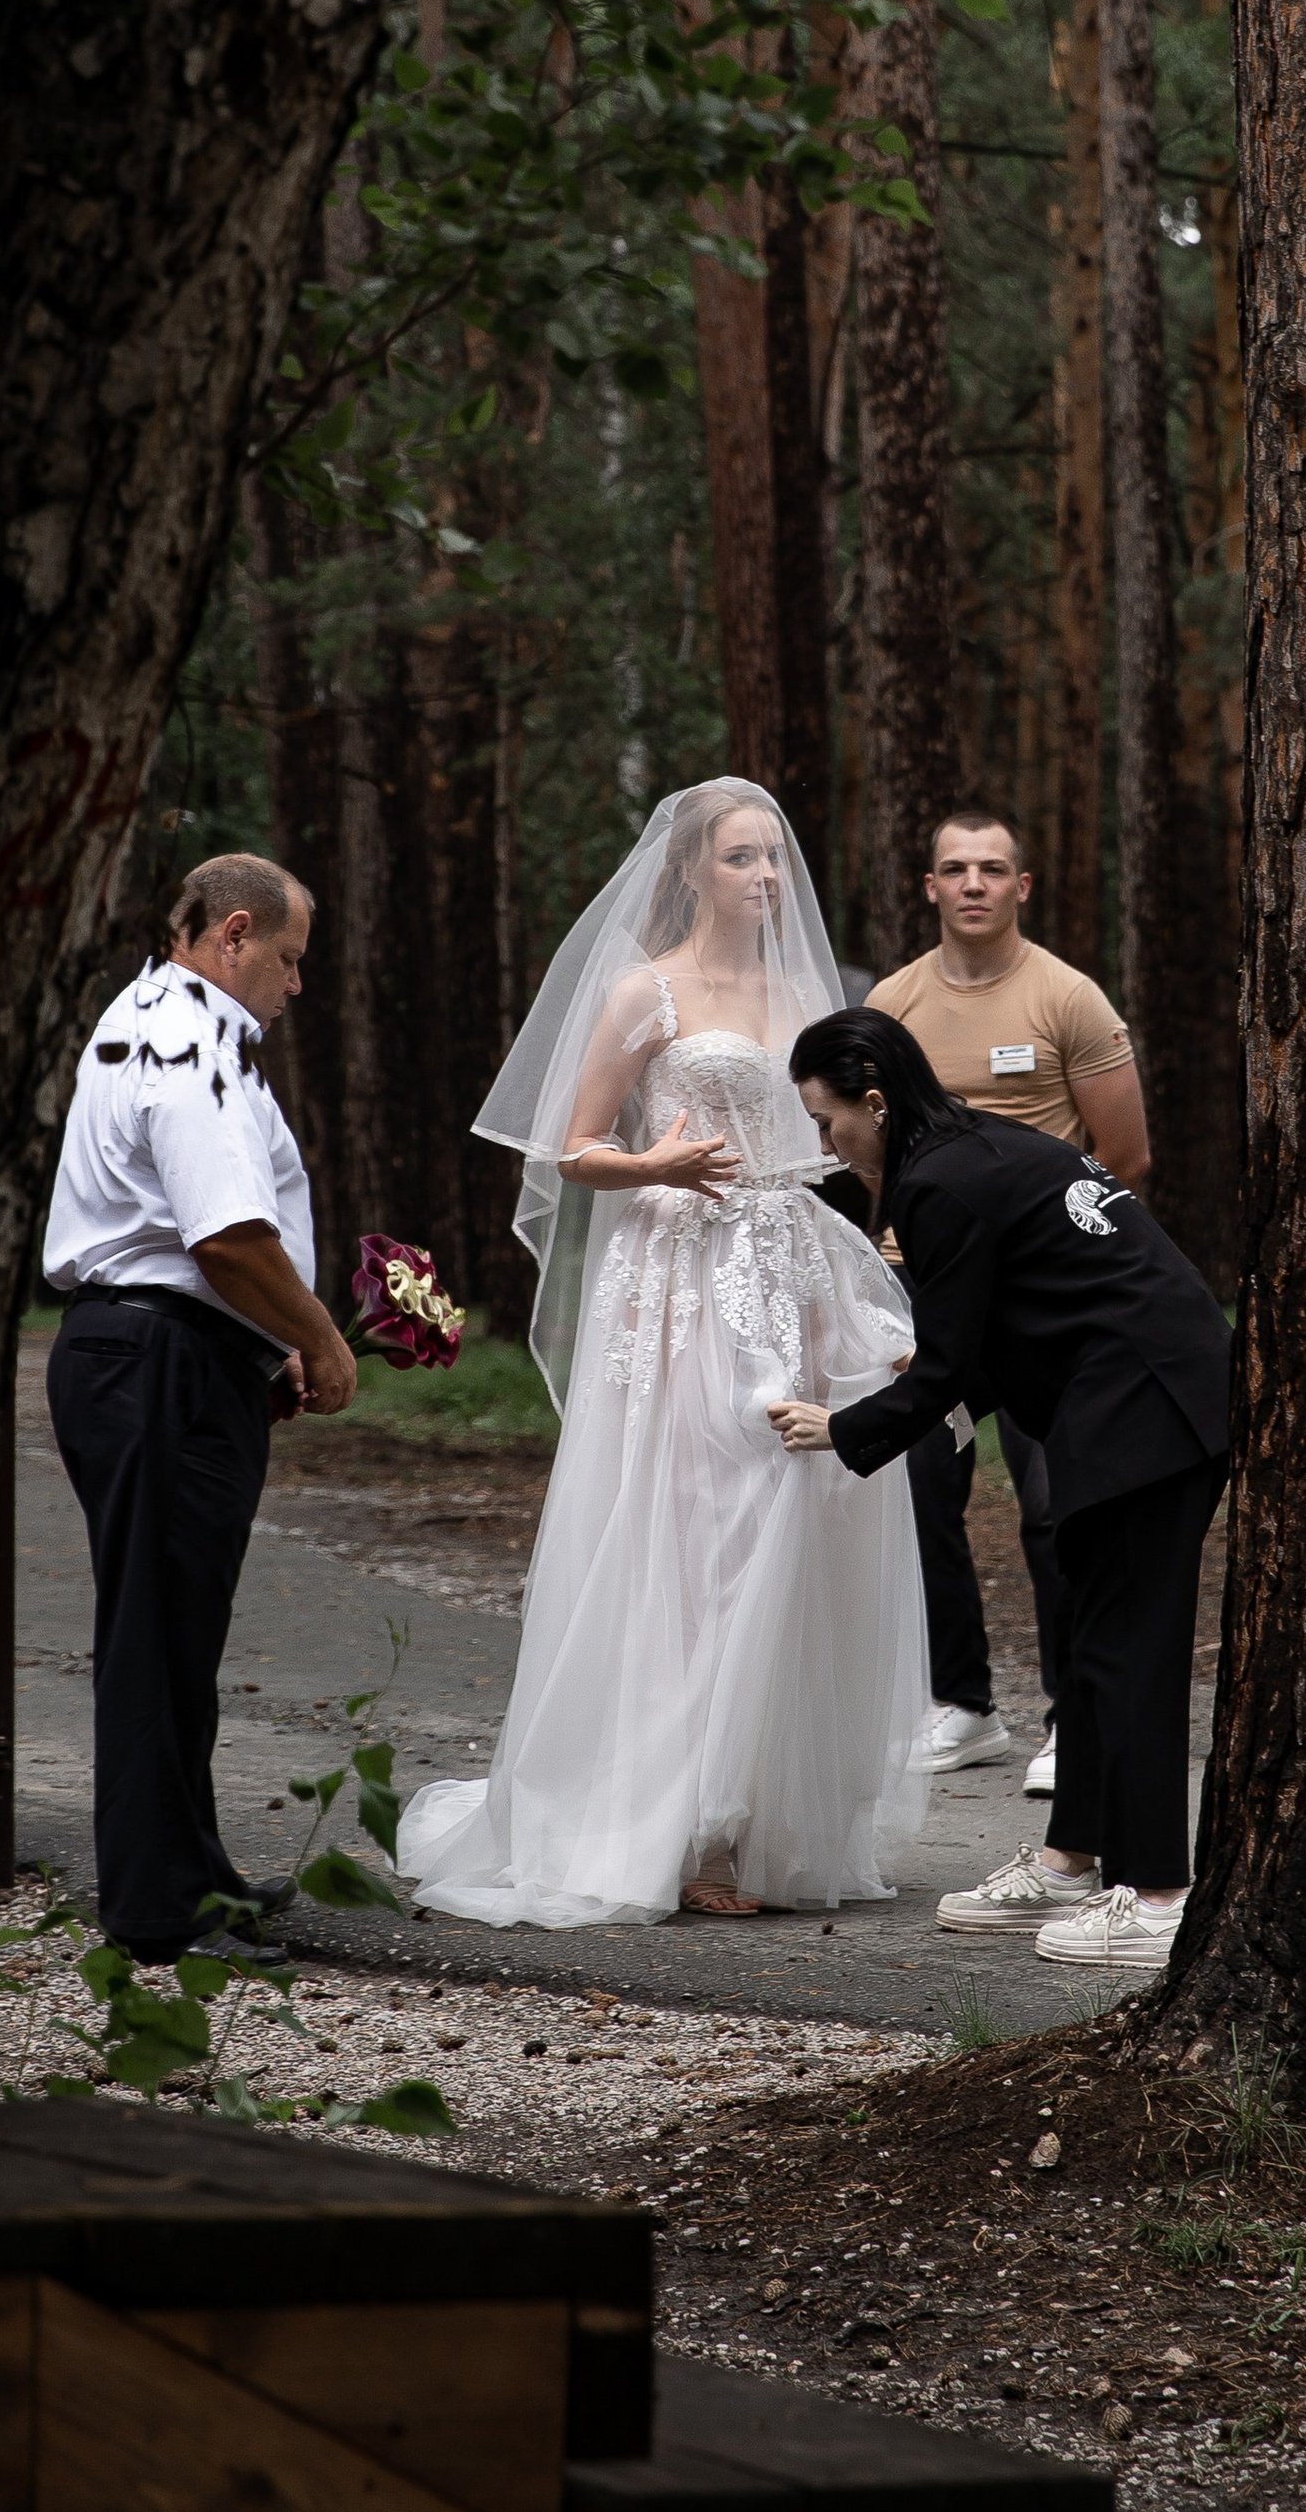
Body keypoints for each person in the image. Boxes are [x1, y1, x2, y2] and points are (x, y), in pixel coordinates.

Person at [396, 781, 930, 1929]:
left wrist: (863, 1259)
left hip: (785, 1274)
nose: (766, 880)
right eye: (741, 859)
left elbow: (825, 1147)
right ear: (691, 870)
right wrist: (660, 1169)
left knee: (791, 1511)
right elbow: (574, 1146)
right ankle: (667, 1813)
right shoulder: (647, 991)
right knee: (690, 1530)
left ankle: (747, 1822)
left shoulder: (802, 994)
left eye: (775, 859)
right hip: (679, 1283)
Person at [771, 1008, 1229, 1972]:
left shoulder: (937, 1185)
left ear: (875, 1101)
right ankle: (1072, 1860)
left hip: (1151, 1397)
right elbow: (986, 1332)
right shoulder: (973, 1146)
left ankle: (1157, 1893)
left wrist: (842, 1428)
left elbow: (942, 1376)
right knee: (1085, 1639)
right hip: (1133, 1390)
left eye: (827, 1121)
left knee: (1126, 1649)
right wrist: (921, 1372)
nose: (825, 1143)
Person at [43, 852, 358, 1964]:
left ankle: (193, 1871)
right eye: (289, 958)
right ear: (233, 934)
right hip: (156, 1359)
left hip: (160, 1355)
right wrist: (314, 1333)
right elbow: (222, 1235)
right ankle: (156, 1910)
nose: (296, 982)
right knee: (154, 1638)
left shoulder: (156, 1015)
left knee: (178, 1634)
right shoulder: (190, 1043)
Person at [864, 806, 1150, 1799]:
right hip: (926, 1289)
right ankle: (963, 1705)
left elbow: (1125, 1154)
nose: (975, 883)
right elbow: (865, 1151)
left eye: (994, 867)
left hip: (1039, 1297)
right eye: (956, 868)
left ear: (1022, 886)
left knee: (1050, 1501)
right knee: (924, 1490)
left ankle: (1072, 1720)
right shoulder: (894, 1005)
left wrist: (1064, 1260)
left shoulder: (1066, 998)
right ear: (931, 887)